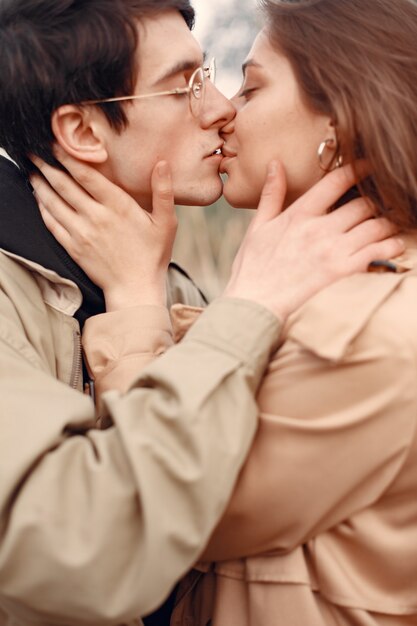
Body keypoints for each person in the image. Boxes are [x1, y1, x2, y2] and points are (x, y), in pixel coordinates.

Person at [0, 0, 405, 625]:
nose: (220, 109)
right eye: (184, 86)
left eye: (237, 81)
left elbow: (194, 527)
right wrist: (233, 307)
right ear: (83, 132)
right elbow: (100, 539)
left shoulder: (183, 289)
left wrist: (152, 301)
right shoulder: (21, 288)